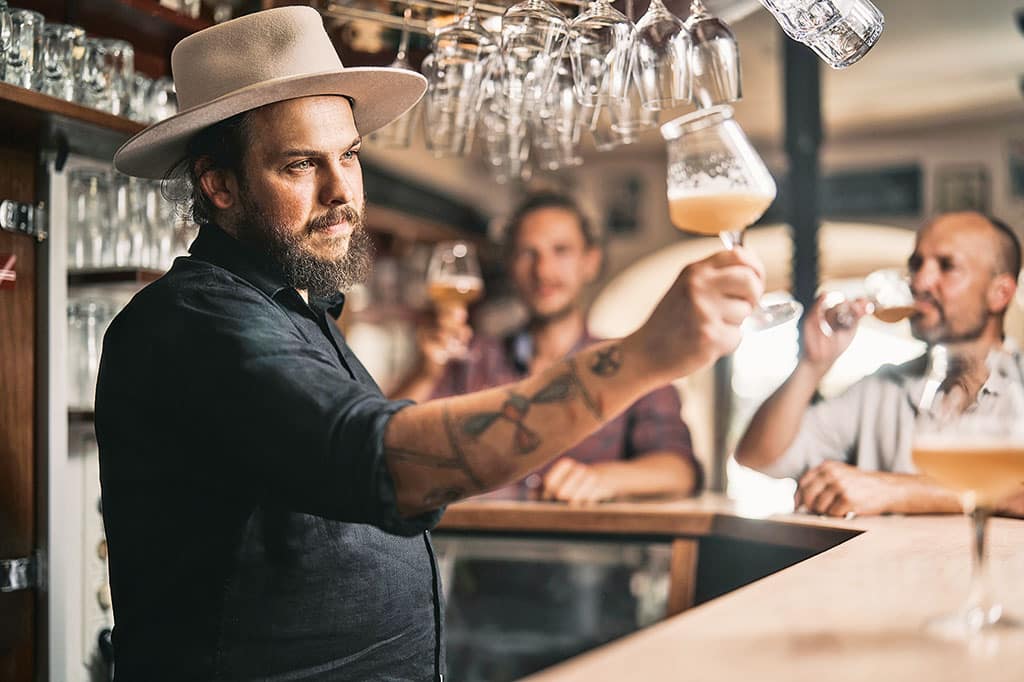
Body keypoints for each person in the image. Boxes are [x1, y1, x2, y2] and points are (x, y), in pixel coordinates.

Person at [95, 7, 765, 680]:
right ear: (220, 186)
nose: (340, 192)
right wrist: (643, 355)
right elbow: (395, 461)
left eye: (349, 155)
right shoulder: (198, 322)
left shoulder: (299, 311)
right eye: (301, 164)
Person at [391, 193, 702, 503]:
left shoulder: (628, 364)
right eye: (528, 253)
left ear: (590, 262)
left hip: (586, 549)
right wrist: (425, 370)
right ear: (511, 265)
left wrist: (606, 478)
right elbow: (387, 448)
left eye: (561, 251)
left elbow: (680, 471)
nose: (543, 270)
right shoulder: (473, 359)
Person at [735, 211, 1024, 518]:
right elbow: (759, 457)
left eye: (947, 266)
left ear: (1000, 294)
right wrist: (812, 364)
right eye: (916, 265)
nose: (921, 281)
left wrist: (897, 491)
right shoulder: (882, 388)